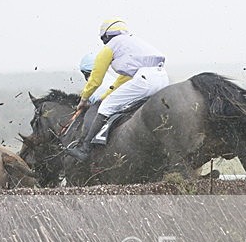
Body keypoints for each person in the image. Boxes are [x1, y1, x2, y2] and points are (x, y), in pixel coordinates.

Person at [66, 18, 169, 161]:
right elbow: (121, 80)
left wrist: (83, 99)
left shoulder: (110, 48)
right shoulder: (134, 43)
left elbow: (95, 80)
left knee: (106, 107)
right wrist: (105, 95)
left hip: (145, 79)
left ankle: (85, 149)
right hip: (163, 78)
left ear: (106, 37)